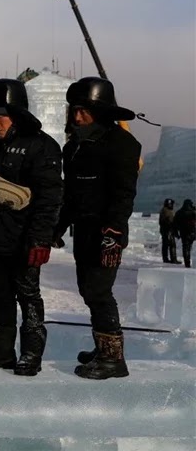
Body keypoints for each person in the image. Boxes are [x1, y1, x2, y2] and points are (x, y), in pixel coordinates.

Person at [0, 78, 63, 377]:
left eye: (0, 116)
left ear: (17, 114)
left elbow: (50, 198)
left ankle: (31, 353)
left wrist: (40, 239)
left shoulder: (42, 146)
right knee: (1, 295)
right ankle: (2, 351)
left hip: (25, 239)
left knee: (28, 295)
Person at [55, 77, 141, 380]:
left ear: (101, 111)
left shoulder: (123, 144)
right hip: (84, 230)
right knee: (87, 290)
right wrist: (58, 227)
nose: (77, 117)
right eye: (74, 111)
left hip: (107, 233)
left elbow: (123, 194)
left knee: (99, 290)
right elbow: (71, 195)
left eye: (85, 111)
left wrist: (114, 234)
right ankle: (102, 346)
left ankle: (113, 360)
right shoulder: (74, 148)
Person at [174, 199, 196, 268]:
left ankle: (187, 264)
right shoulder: (193, 212)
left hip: (184, 234)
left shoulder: (179, 212)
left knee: (186, 249)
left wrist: (176, 234)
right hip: (193, 233)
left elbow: (175, 224)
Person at [159, 198, 180, 264]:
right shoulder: (166, 211)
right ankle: (173, 259)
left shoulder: (166, 210)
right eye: (171, 204)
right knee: (172, 245)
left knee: (166, 245)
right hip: (168, 230)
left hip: (166, 230)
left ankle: (166, 259)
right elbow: (166, 221)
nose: (172, 205)